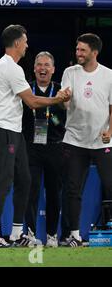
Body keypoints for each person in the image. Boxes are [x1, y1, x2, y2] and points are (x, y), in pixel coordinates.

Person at [0, 24, 70, 248]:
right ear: (18, 43)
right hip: (3, 130)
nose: (27, 45)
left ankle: (16, 233)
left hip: (14, 131)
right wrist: (57, 100)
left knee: (25, 179)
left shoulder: (3, 66)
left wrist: (3, 102)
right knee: (3, 181)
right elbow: (32, 101)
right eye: (26, 41)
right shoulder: (11, 68)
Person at [60, 33, 112, 247]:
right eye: (77, 49)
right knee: (73, 189)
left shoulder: (109, 75)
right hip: (74, 140)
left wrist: (111, 130)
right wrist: (65, 99)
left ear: (94, 52)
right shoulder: (69, 72)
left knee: (110, 185)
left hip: (102, 141)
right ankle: (74, 235)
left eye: (82, 50)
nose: (78, 53)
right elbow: (65, 99)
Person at [22, 51, 66, 247]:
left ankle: (51, 236)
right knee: (30, 191)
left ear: (53, 69)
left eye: (47, 65)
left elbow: (65, 117)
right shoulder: (26, 89)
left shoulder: (60, 91)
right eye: (39, 64)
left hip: (54, 148)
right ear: (34, 68)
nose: (43, 68)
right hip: (30, 147)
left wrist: (63, 103)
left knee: (54, 193)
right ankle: (30, 234)